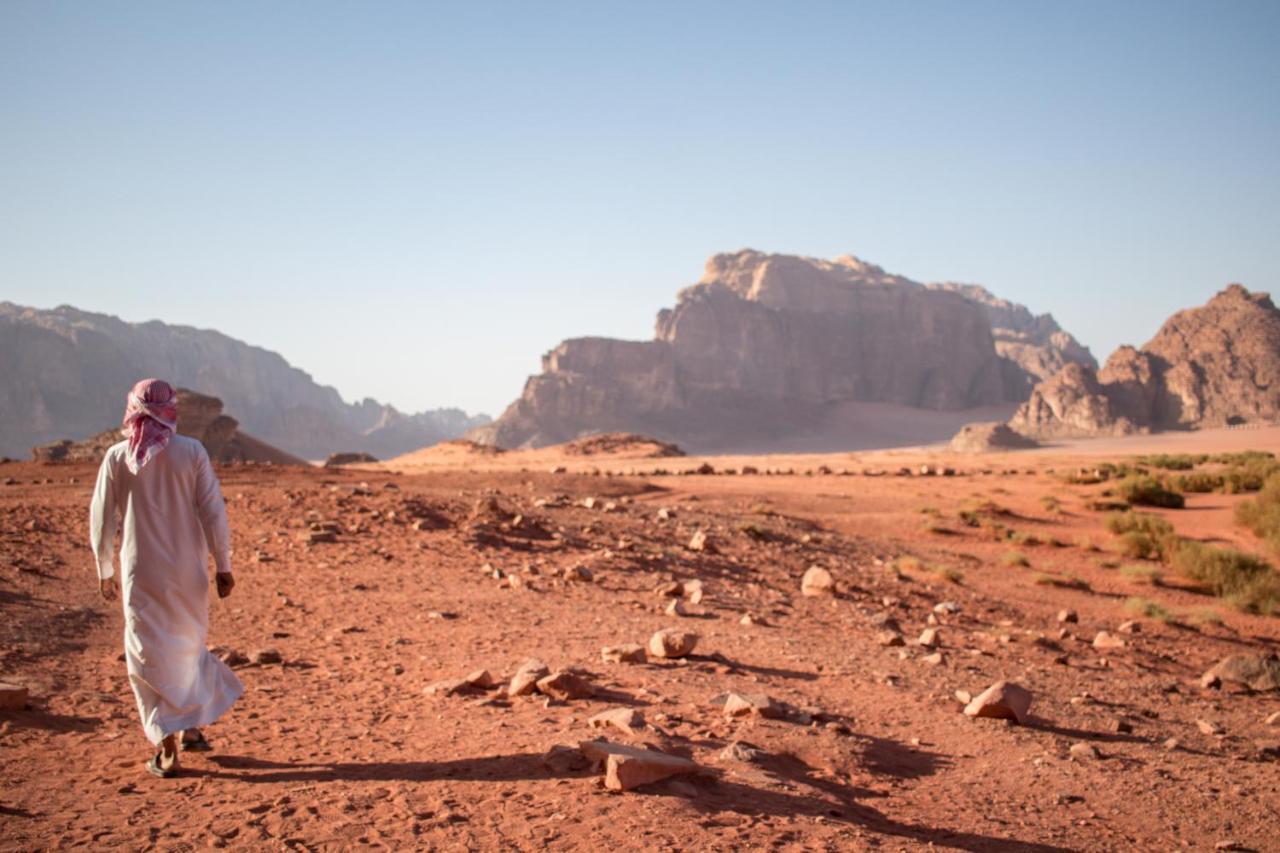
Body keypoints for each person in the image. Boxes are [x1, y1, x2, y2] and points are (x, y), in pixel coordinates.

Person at [90, 378, 242, 778]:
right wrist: (222, 564)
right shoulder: (191, 452)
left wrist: (104, 568)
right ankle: (186, 728)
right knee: (186, 645)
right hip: (187, 572)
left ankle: (168, 743)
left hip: (142, 571)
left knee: (147, 653)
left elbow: (102, 519)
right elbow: (214, 512)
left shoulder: (118, 456)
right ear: (172, 409)